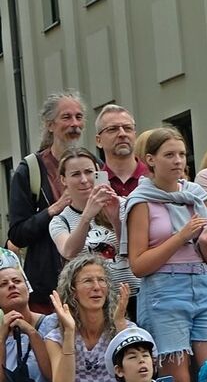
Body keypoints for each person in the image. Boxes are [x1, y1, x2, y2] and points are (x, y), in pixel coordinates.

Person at [122, 129, 207, 382]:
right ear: (150, 160)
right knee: (176, 381)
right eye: (169, 155)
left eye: (182, 154)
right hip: (163, 290)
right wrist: (180, 237)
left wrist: (206, 241)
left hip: (202, 285)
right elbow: (138, 265)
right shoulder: (141, 201)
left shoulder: (195, 195)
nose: (178, 161)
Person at [6, 91, 86, 312]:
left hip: (92, 285)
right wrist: (53, 210)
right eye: (66, 117)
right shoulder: (30, 170)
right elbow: (17, 235)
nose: (74, 124)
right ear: (50, 125)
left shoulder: (94, 166)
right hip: (48, 290)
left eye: (79, 117)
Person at [42, 253, 131, 382]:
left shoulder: (125, 328)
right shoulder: (55, 338)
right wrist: (69, 332)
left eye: (101, 280)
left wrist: (120, 326)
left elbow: (135, 377)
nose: (97, 287)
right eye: (88, 281)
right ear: (73, 291)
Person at [0, 259, 56, 382]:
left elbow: (54, 376)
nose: (11, 286)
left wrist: (32, 332)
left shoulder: (51, 323)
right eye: (3, 284)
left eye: (17, 281)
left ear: (28, 288)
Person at [49, 149, 123, 277]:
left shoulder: (120, 204)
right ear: (63, 179)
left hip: (131, 292)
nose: (84, 180)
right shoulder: (60, 221)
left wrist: (115, 219)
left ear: (98, 173)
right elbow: (69, 252)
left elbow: (132, 247)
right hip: (93, 294)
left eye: (89, 172)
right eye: (76, 174)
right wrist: (86, 217)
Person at [94, 106, 149, 198]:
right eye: (112, 129)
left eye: (127, 128)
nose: (122, 134)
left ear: (135, 135)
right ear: (98, 141)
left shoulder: (155, 177)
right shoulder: (94, 186)